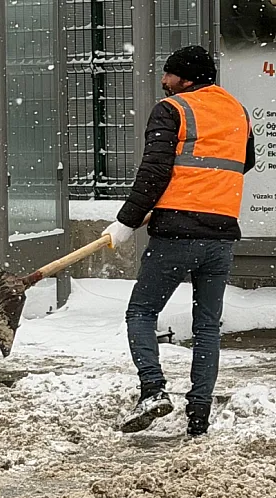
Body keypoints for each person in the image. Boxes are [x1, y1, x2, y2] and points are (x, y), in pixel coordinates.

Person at [103, 46, 255, 436]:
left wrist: (126, 221)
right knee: (207, 326)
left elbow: (153, 171)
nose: (164, 81)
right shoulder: (237, 110)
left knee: (141, 313)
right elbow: (244, 160)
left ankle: (153, 390)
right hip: (221, 234)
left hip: (175, 234)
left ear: (185, 79)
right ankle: (198, 414)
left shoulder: (172, 109)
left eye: (169, 75)